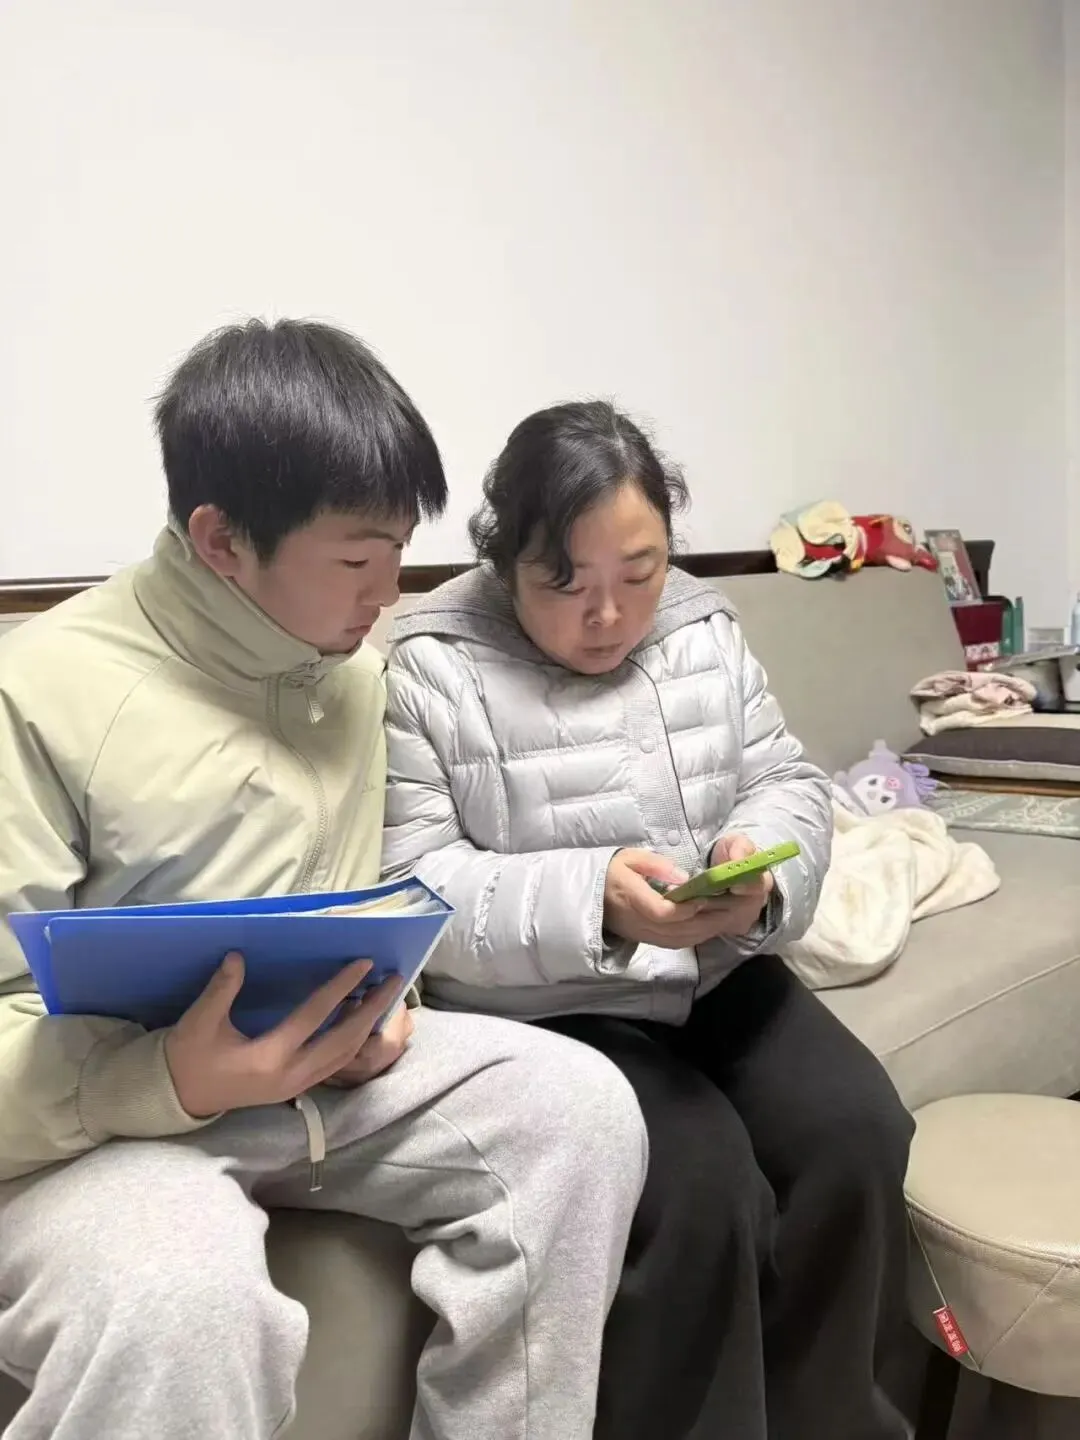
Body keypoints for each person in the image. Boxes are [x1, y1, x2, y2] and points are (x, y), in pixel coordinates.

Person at [0, 328, 648, 1440]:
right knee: (175, 1292)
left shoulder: (351, 678)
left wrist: (384, 1003)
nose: (387, 594)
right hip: (94, 1130)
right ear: (221, 540)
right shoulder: (38, 693)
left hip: (313, 1083)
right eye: (357, 563)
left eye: (398, 553)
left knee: (580, 1110)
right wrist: (167, 1077)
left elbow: (359, 907)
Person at [381, 400, 916, 1440]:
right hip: (553, 1007)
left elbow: (785, 779)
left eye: (641, 571)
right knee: (699, 1193)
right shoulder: (430, 660)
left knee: (859, 1135)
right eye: (564, 582)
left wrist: (760, 870)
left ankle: (833, 1420)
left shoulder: (703, 627)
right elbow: (415, 886)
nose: (610, 614)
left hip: (716, 970)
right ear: (504, 559)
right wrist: (596, 898)